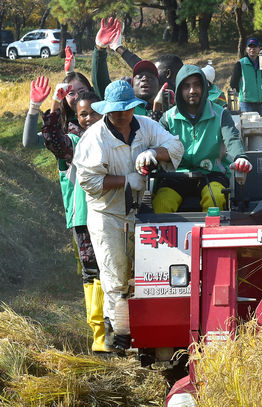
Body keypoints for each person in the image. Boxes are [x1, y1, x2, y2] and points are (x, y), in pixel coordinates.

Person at [74, 80, 184, 352]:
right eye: (116, 110)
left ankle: (146, 336)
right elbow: (88, 181)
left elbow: (175, 147)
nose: (122, 115)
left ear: (134, 107)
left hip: (140, 213)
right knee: (115, 277)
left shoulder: (146, 126)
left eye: (127, 109)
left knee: (146, 275)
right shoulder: (94, 138)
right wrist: (126, 180)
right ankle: (119, 340)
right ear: (107, 110)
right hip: (106, 215)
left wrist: (152, 153)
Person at [23, 76, 110, 354]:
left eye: (78, 91)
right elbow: (44, 140)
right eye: (69, 93)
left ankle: (118, 327)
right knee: (92, 271)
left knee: (114, 269)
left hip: (114, 212)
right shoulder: (69, 137)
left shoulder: (113, 133)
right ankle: (101, 334)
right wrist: (45, 104)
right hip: (83, 215)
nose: (74, 97)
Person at [153, 65, 251, 213]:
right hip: (176, 176)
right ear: (179, 90)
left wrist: (240, 158)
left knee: (216, 199)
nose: (192, 90)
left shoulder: (221, 114)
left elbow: (232, 139)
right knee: (161, 203)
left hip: (211, 175)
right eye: (186, 86)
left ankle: (212, 235)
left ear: (205, 87)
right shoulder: (168, 118)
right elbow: (155, 144)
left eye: (197, 85)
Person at [94, 17, 183, 92]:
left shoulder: (181, 98)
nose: (145, 78)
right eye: (141, 76)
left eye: (154, 73)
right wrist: (112, 47)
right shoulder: (134, 103)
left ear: (168, 74)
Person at [229, 38, 262, 116]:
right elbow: (233, 83)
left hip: (260, 104)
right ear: (246, 49)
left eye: (255, 47)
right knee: (248, 127)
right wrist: (243, 93)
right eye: (250, 47)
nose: (252, 49)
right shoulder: (240, 64)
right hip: (246, 104)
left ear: (259, 49)